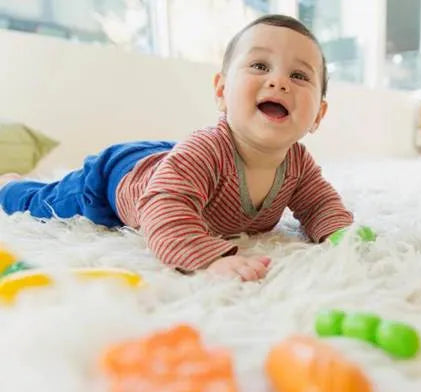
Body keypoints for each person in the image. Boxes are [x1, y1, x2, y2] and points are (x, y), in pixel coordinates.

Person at [0, 14, 353, 282]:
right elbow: (163, 207)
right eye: (260, 66)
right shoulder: (207, 151)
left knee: (177, 165)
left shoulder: (298, 164)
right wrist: (209, 258)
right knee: (46, 202)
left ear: (318, 114)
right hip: (115, 177)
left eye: (300, 76)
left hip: (169, 158)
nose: (278, 81)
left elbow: (320, 204)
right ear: (221, 91)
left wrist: (340, 236)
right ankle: (11, 185)